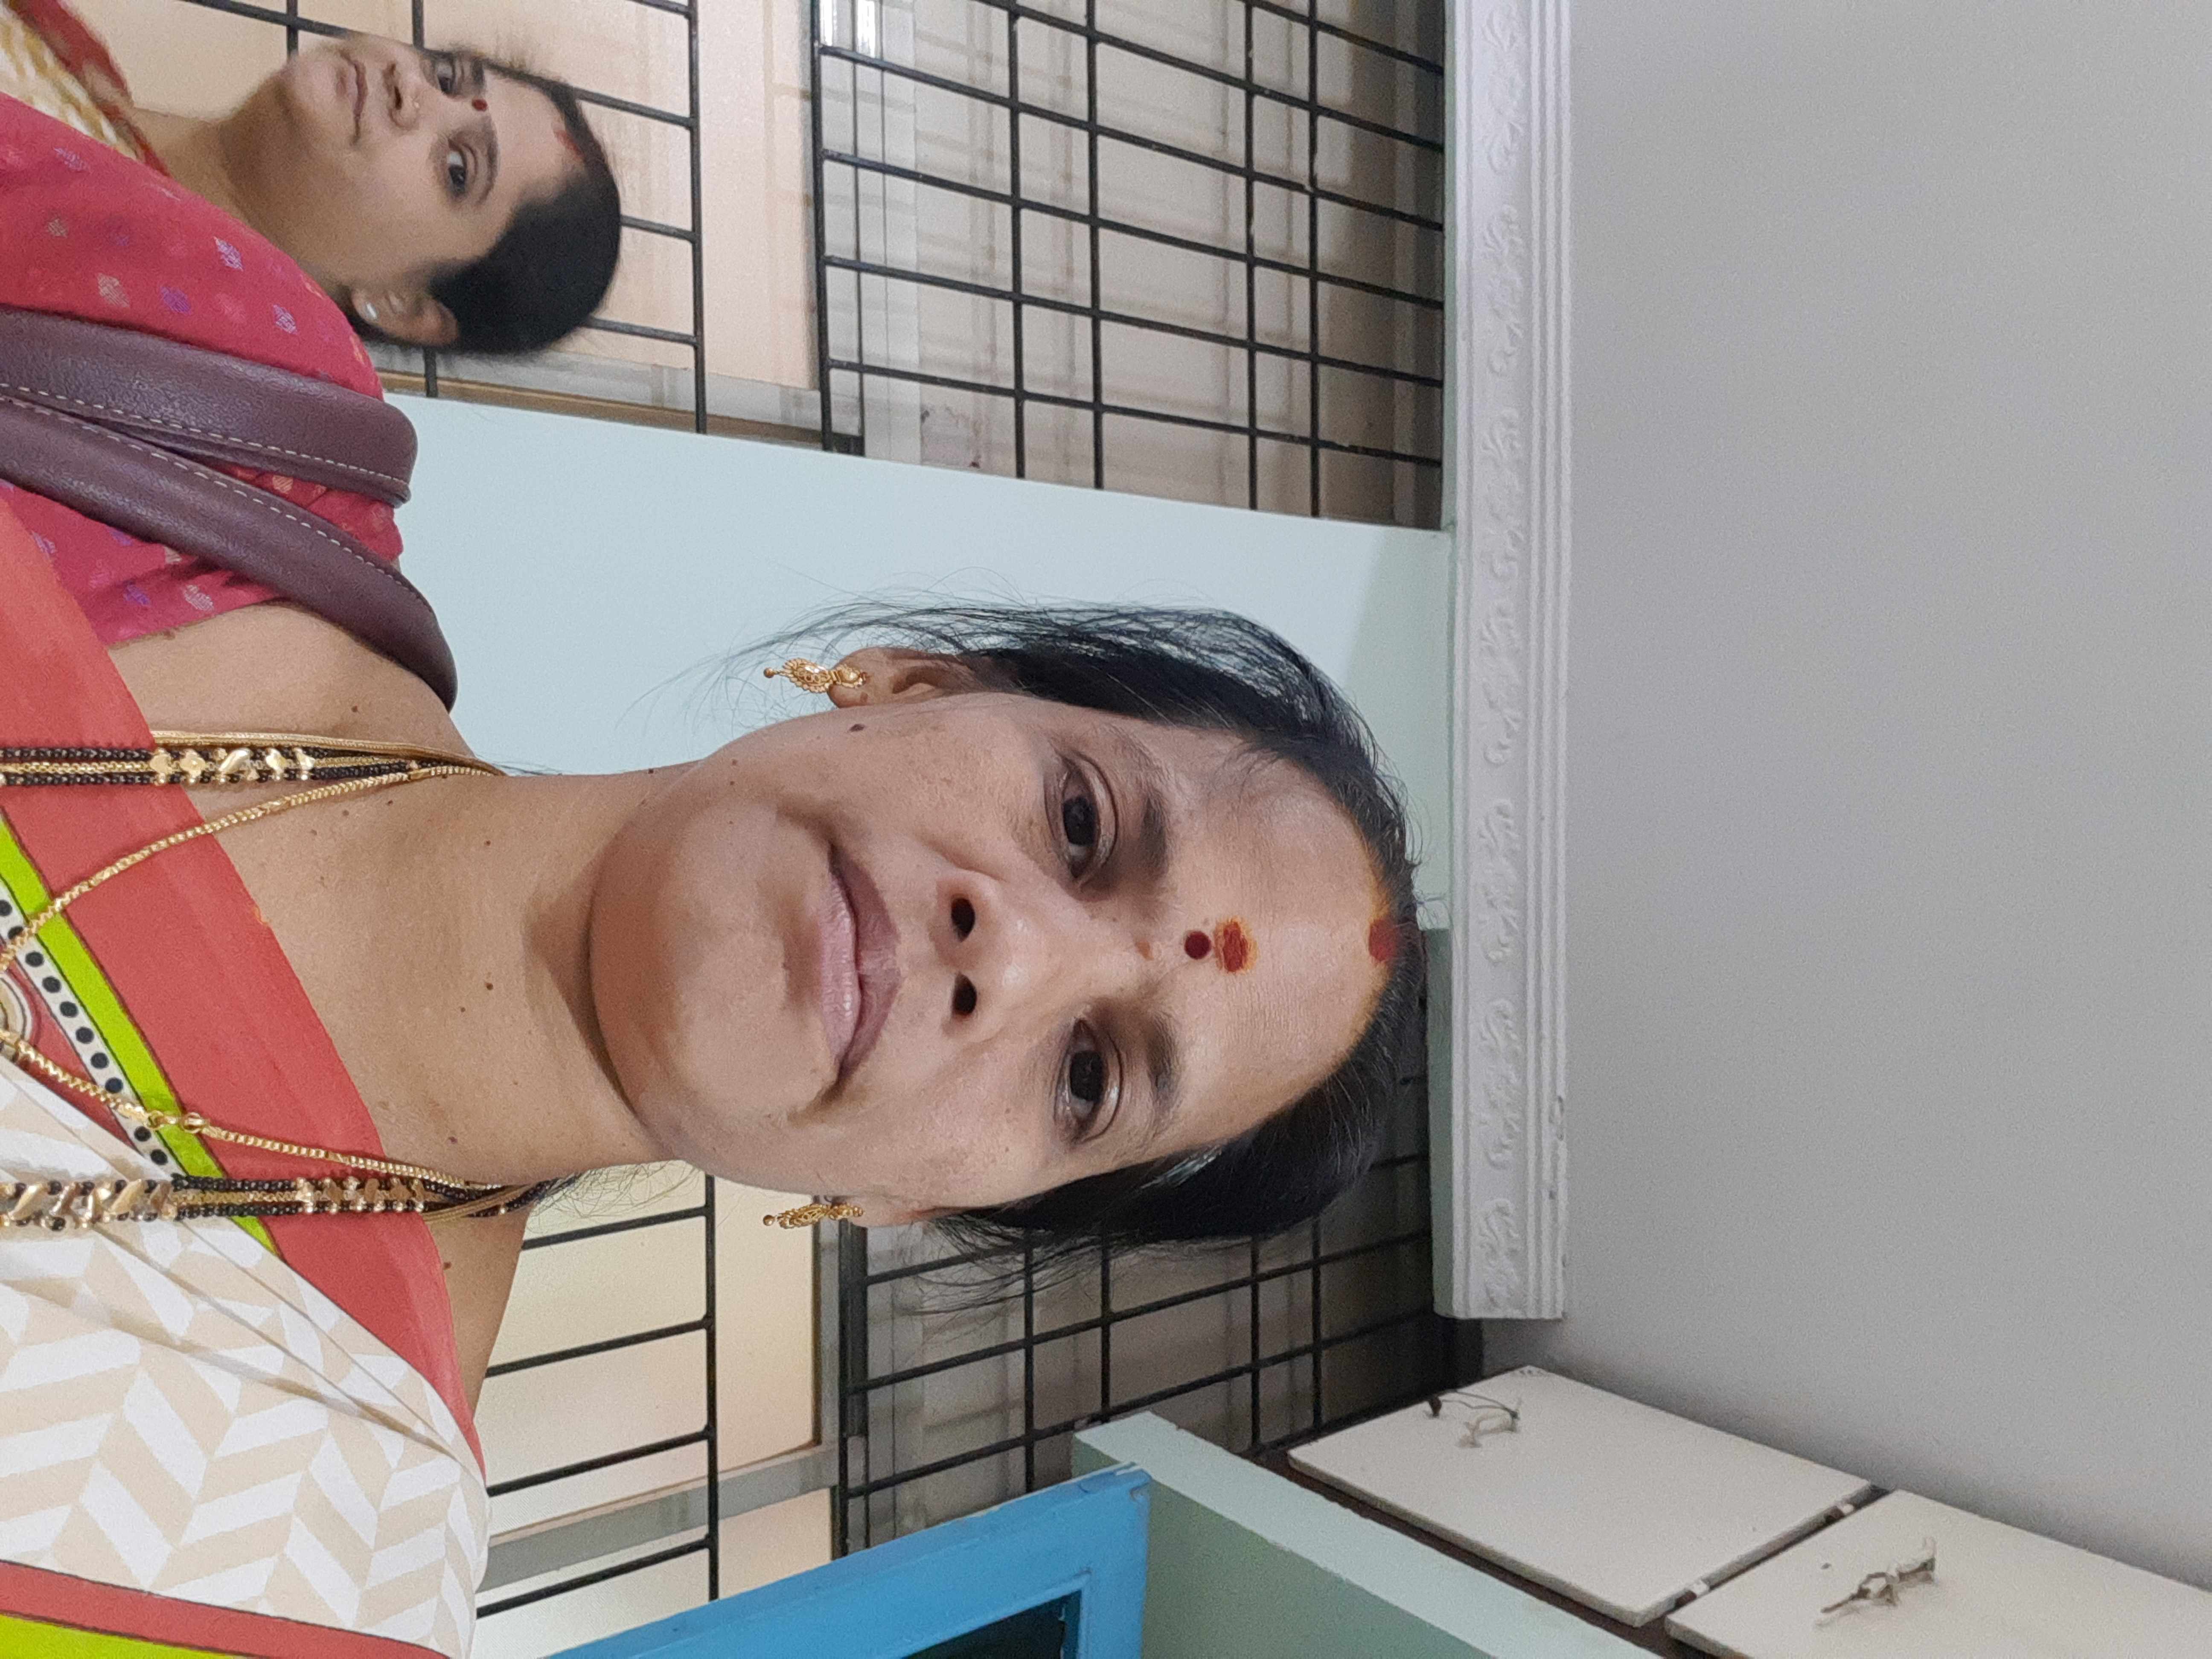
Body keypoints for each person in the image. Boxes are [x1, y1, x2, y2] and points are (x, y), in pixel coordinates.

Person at [0, 42, 1423, 1659]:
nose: (1013, 953)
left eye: (1089, 1074)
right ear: (911, 681)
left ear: (909, 1201)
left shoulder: (306, 1555)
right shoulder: (213, 391)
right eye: (1083, 824)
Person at [2, 0, 622, 353]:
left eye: (458, 168)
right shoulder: (66, 48)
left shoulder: (116, 346)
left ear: (402, 305)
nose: (410, 87)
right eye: (447, 76)